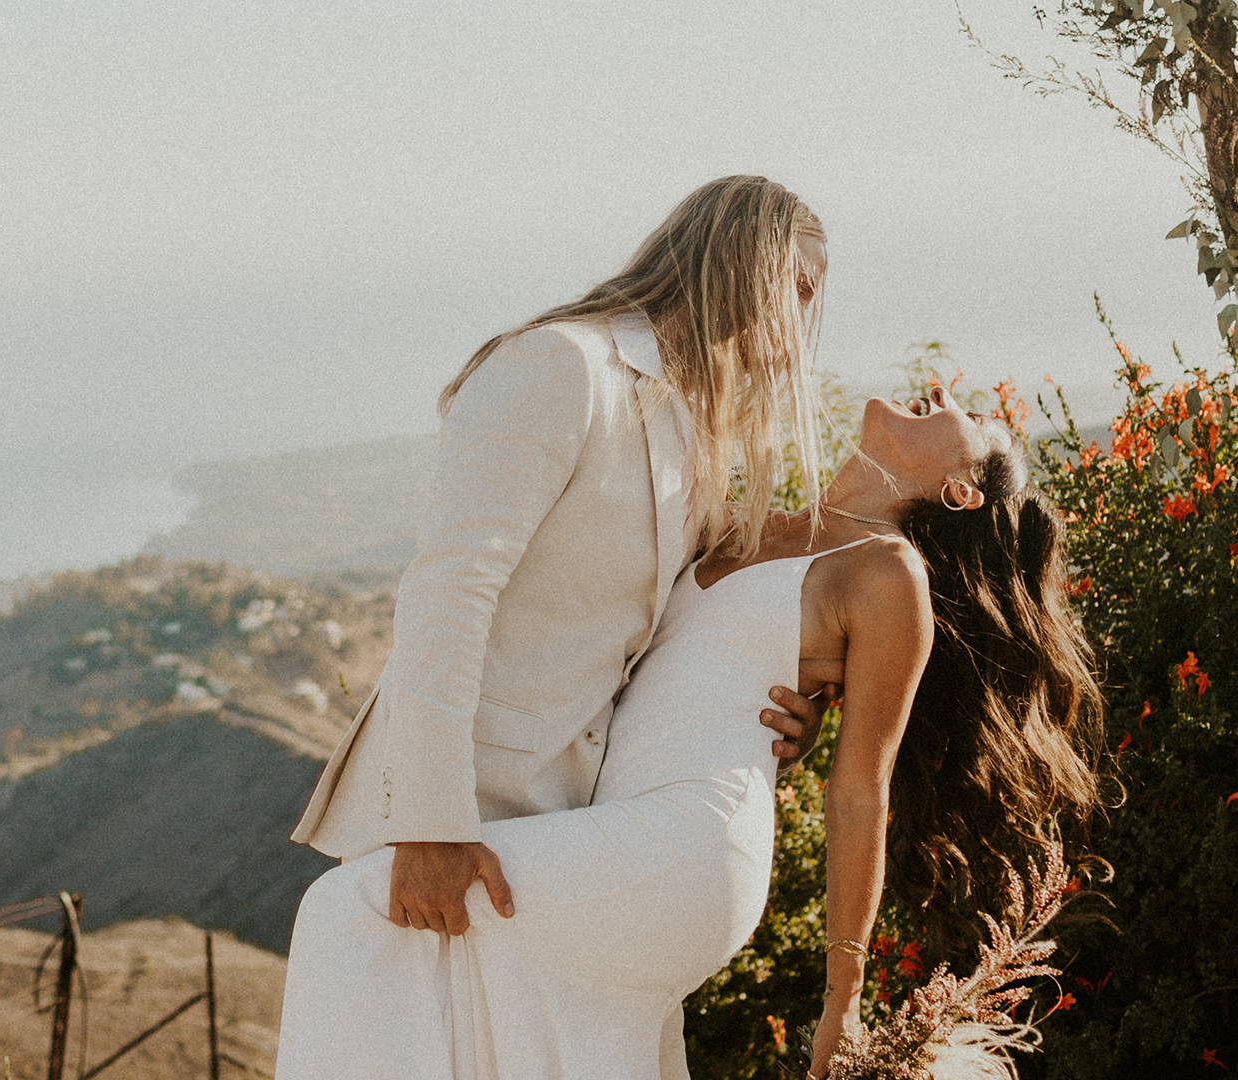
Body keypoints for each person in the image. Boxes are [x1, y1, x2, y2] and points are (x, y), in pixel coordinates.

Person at [275, 376, 1105, 1078]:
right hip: (616, 825)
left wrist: (841, 1003)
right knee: (434, 969)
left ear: (960, 490)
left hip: (690, 849)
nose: (943, 390)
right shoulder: (748, 526)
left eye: (970, 415)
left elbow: (862, 795)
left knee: (350, 909)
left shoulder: (889, 574)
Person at [279, 175, 831, 1071]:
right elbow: (447, 594)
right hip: (455, 813)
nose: (803, 323)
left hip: (568, 828)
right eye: (797, 290)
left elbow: (672, 626)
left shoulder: (695, 424)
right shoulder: (563, 367)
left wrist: (761, 711)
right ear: (738, 267)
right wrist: (431, 822)